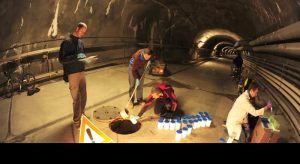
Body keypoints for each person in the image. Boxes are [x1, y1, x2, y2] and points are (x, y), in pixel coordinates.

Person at [59, 22, 96, 129]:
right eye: (82, 31)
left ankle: (82, 114)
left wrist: (87, 59)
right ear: (77, 28)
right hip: (72, 73)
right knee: (77, 98)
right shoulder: (66, 42)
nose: (82, 34)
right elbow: (62, 59)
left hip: (81, 71)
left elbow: (82, 56)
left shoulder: (80, 42)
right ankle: (76, 120)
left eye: (84, 33)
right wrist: (76, 56)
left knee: (84, 95)